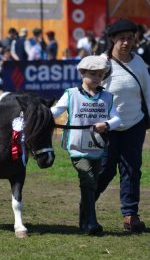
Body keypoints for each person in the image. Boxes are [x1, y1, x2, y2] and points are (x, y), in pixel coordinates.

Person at [51, 55, 121, 234]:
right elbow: (54, 112)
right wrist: (38, 114)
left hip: (98, 147)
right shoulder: (70, 94)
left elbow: (117, 119)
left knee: (91, 184)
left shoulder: (107, 97)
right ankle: (92, 224)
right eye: (93, 74)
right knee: (88, 180)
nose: (97, 78)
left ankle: (84, 222)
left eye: (100, 75)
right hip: (76, 148)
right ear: (82, 73)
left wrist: (106, 125)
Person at [97, 18, 150, 233]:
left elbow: (147, 92)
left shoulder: (139, 63)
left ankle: (130, 215)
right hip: (108, 127)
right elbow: (89, 90)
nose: (127, 43)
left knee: (131, 170)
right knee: (106, 169)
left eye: (130, 38)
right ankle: (88, 207)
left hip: (134, 124)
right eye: (121, 39)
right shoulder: (102, 62)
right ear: (112, 39)